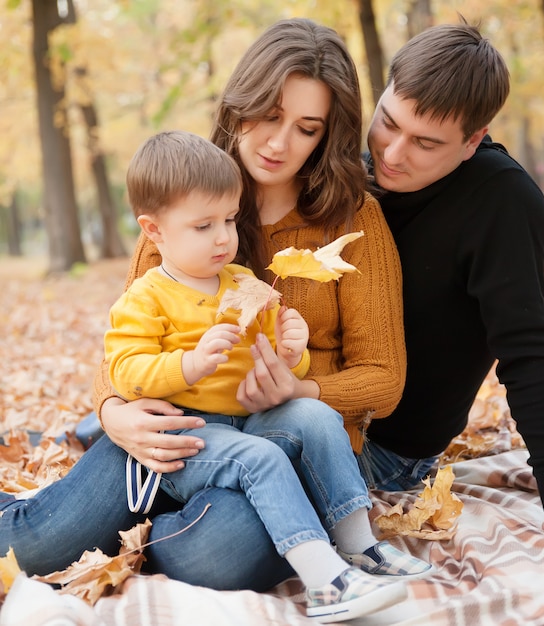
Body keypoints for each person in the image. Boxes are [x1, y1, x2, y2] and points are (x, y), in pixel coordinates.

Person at [0, 18, 430, 615]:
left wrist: (301, 386)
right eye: (267, 115)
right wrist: (114, 413)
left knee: (214, 555)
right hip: (179, 435)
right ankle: (108, 498)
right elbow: (125, 344)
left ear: (326, 137)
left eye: (306, 128)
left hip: (296, 444)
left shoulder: (355, 219)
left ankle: (143, 526)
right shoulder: (184, 203)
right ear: (240, 103)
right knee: (36, 543)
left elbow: (384, 377)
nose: (279, 141)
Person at [103, 128, 413, 622]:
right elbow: (123, 370)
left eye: (229, 219)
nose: (224, 237)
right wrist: (188, 365)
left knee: (314, 413)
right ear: (154, 231)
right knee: (262, 458)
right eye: (204, 226)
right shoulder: (146, 297)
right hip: (192, 435)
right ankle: (326, 585)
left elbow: (286, 361)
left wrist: (294, 356)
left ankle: (359, 547)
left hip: (248, 419)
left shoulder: (244, 284)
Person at [358, 19, 544, 548]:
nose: (391, 154)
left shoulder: (500, 201)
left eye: (425, 143)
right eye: (388, 123)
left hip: (383, 454)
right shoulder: (350, 172)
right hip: (294, 411)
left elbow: (527, 351)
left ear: (471, 142)